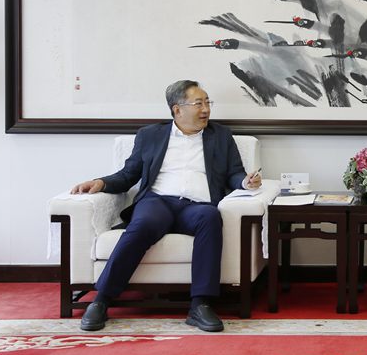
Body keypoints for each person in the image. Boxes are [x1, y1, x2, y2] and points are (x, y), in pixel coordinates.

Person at [71, 79, 262, 332]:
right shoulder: (150, 135)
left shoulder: (221, 136)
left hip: (197, 205)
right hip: (158, 201)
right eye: (198, 103)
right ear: (177, 109)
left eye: (207, 103)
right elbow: (128, 174)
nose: (206, 109)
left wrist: (245, 182)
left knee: (210, 217)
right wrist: (101, 183)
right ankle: (101, 299)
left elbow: (234, 173)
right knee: (143, 223)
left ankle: (200, 304)